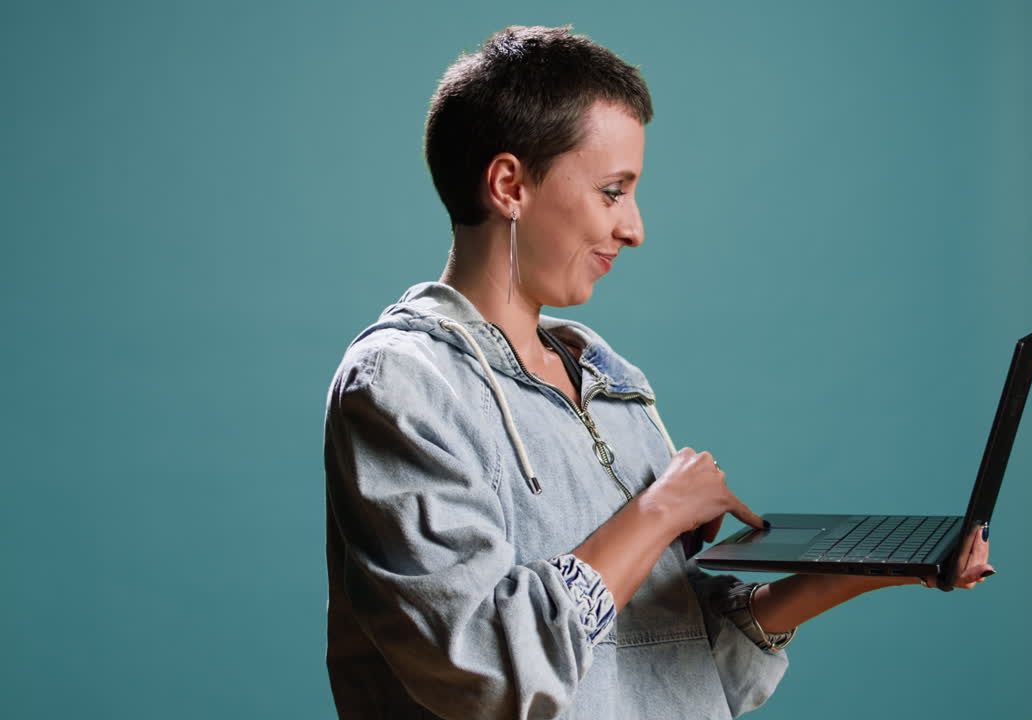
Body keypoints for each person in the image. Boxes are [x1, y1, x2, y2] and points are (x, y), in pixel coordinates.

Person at [323, 25, 995, 719]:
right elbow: (484, 673)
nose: (634, 228)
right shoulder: (404, 386)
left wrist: (864, 571)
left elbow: (668, 674)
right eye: (612, 191)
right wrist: (656, 514)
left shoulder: (610, 384)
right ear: (509, 185)